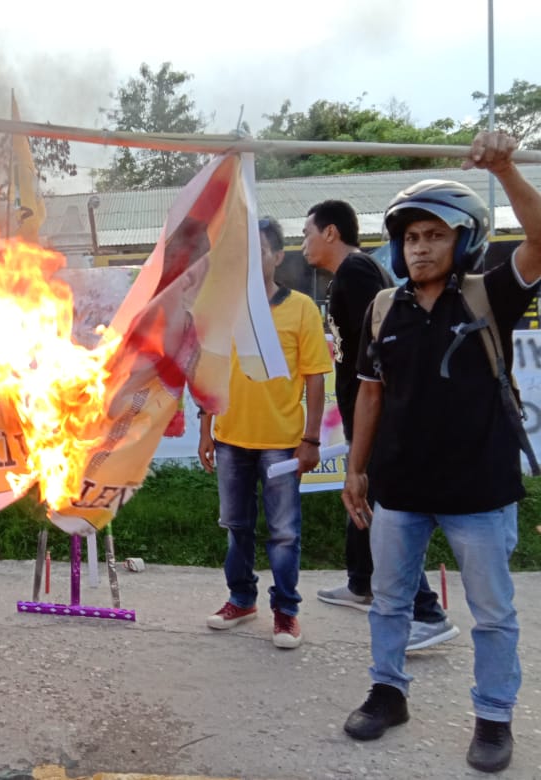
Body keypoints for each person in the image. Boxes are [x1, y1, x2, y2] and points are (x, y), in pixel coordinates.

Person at [341, 131, 541, 774]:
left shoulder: (489, 294)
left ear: (463, 241)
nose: (419, 247)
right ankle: (387, 692)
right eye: (410, 237)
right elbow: (370, 395)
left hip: (478, 491)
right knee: (391, 601)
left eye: (434, 235)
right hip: (399, 488)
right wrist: (356, 470)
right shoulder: (383, 307)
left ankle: (492, 717)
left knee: (491, 614)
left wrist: (506, 168)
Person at [303, 199, 458, 652]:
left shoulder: (358, 273)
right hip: (362, 409)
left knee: (382, 504)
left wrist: (379, 411)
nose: (305, 244)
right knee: (361, 494)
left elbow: (383, 349)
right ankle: (361, 583)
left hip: (378, 411)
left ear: (330, 232)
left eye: (309, 234)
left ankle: (426, 611)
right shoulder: (349, 276)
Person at [199, 217, 332, 649]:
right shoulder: (226, 308)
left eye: (258, 251)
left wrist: (310, 440)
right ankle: (241, 599)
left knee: (284, 533)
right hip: (231, 439)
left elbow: (315, 377)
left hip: (281, 443)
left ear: (277, 257)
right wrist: (206, 429)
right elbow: (212, 372)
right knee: (236, 526)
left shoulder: (301, 310)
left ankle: (286, 611)